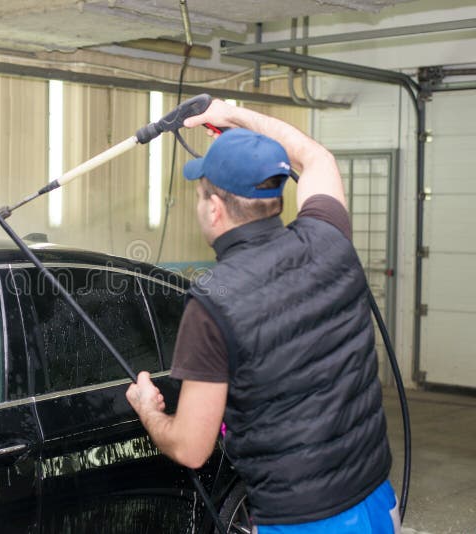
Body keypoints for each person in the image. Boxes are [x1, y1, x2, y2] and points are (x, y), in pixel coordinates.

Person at [125, 100, 400, 533]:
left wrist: (148, 410)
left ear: (214, 209)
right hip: (375, 498)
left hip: (305, 520)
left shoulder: (213, 303)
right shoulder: (328, 237)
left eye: (200, 195)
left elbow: (192, 447)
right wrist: (233, 114)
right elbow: (316, 158)